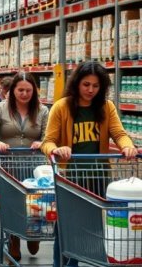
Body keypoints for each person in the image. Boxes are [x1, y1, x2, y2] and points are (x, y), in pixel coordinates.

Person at [39, 61, 137, 267]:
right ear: (76, 84)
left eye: (95, 85)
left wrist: (127, 146)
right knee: (67, 229)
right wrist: (56, 150)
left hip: (98, 176)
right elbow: (48, 141)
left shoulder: (106, 107)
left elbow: (119, 133)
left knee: (96, 229)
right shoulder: (61, 107)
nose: (91, 90)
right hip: (70, 179)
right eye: (86, 85)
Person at [0, 72, 49, 263]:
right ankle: (14, 242)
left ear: (34, 91)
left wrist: (42, 142)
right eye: (20, 90)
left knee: (35, 203)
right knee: (12, 204)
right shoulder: (0, 108)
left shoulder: (42, 110)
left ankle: (33, 235)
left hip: (34, 166)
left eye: (29, 90)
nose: (25, 94)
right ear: (13, 90)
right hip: (8, 165)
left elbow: (49, 134)